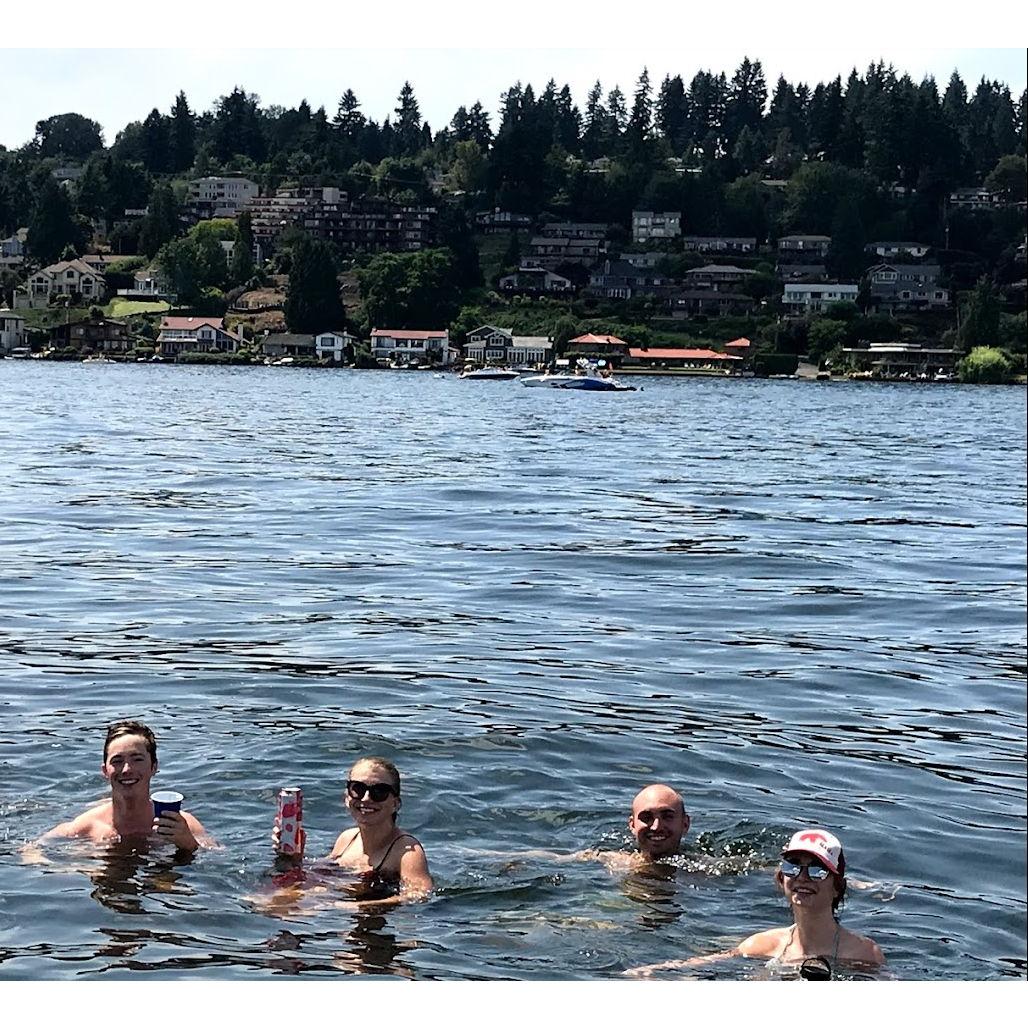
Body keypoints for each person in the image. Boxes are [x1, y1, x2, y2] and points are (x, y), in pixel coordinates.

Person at [626, 827, 885, 977]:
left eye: (817, 870)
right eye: (793, 866)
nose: (802, 877)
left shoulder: (865, 954)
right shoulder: (762, 945)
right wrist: (657, 971)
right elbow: (704, 964)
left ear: (837, 886)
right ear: (781, 878)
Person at [27, 720, 213, 857]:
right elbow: (30, 851)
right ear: (105, 771)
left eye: (137, 759)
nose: (126, 770)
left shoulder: (183, 825)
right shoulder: (88, 826)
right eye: (117, 761)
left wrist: (189, 844)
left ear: (154, 767)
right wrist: (72, 869)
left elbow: (217, 855)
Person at [272, 755, 433, 905]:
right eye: (358, 789)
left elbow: (419, 895)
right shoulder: (347, 838)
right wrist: (292, 858)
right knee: (270, 901)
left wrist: (354, 906)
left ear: (396, 804)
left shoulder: (407, 851)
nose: (366, 798)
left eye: (379, 791)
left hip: (375, 918)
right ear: (347, 797)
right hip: (340, 907)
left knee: (284, 909)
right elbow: (318, 876)